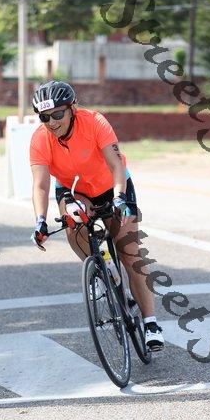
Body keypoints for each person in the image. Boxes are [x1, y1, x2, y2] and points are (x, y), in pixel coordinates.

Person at [29, 80, 164, 351]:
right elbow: (40, 185)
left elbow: (116, 165)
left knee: (130, 253)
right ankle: (104, 268)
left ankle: (151, 323)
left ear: (72, 108)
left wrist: (119, 198)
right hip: (74, 190)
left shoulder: (95, 122)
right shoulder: (40, 139)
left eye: (57, 114)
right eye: (45, 117)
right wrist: (40, 221)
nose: (52, 122)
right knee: (73, 221)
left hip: (112, 185)